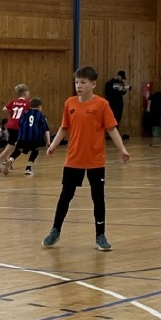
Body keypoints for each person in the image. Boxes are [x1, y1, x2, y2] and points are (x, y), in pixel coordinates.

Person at [42, 66, 131, 251]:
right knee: (65, 196)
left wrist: (122, 149)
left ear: (93, 84)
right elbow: (64, 128)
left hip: (95, 160)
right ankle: (55, 230)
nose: (79, 86)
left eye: (83, 82)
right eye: (77, 82)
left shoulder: (102, 104)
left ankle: (100, 236)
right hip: (73, 159)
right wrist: (53, 145)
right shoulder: (70, 103)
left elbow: (111, 129)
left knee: (98, 198)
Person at [0, 84, 31, 175]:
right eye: (28, 93)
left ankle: (6, 160)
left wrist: (11, 113)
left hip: (10, 125)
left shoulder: (13, 102)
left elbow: (4, 109)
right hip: (18, 126)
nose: (29, 94)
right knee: (13, 145)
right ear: (24, 93)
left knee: (12, 145)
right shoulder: (28, 103)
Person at [103, 70, 131, 137]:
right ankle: (109, 134)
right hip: (112, 103)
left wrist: (124, 90)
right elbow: (108, 93)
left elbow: (122, 93)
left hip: (119, 103)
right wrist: (115, 90)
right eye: (121, 77)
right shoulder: (110, 83)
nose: (121, 79)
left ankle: (115, 133)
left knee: (118, 117)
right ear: (118, 75)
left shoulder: (121, 83)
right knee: (112, 118)